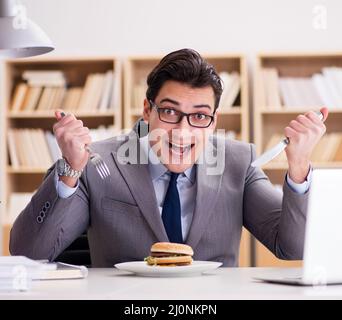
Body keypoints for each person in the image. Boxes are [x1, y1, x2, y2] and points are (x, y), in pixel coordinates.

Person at [10, 49, 328, 267]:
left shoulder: (238, 162)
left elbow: (293, 248)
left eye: (199, 116)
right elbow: (28, 251)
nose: (182, 131)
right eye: (170, 112)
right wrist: (69, 170)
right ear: (147, 110)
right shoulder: (96, 163)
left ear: (214, 121)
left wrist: (299, 168)